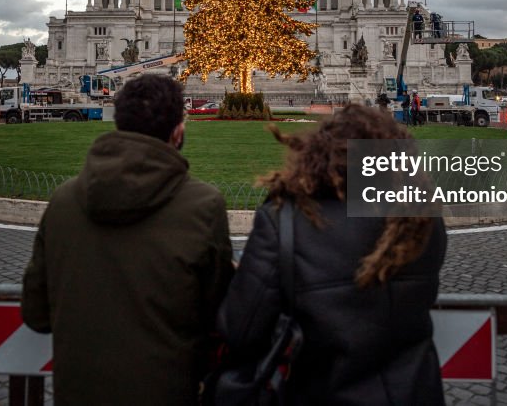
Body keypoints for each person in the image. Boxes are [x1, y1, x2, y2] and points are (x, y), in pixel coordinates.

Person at [22, 74, 233, 406]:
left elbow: (35, 314)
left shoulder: (63, 201)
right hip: (169, 390)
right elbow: (218, 314)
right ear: (178, 130)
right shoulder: (203, 205)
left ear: (118, 122)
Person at [217, 105, 448, 405]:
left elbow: (240, 329)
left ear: (319, 153)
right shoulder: (423, 220)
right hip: (415, 393)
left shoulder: (286, 221)